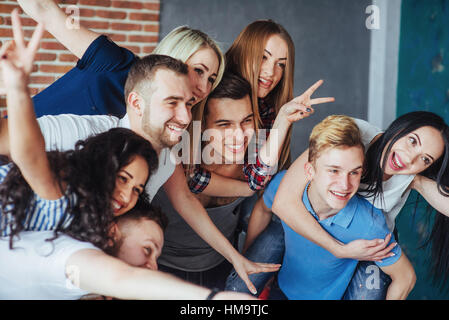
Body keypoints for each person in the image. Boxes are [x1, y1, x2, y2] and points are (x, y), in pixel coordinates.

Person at [0, 9, 277, 294]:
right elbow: (29, 157)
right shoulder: (85, 136)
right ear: (138, 101)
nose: (201, 89)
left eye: (210, 79)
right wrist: (17, 89)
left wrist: (235, 257)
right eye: (173, 100)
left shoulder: (167, 154)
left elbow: (185, 200)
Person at [0, 15, 158, 252]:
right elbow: (29, 156)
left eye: (137, 189)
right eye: (123, 179)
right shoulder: (66, 194)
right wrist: (17, 88)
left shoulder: (94, 220)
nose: (127, 196)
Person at [252, 111, 449, 299]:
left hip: (370, 244)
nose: (409, 158)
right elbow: (283, 201)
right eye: (412, 141)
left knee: (370, 292)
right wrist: (339, 249)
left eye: (425, 159)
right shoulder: (353, 132)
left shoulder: (411, 177)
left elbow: (406, 277)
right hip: (331, 237)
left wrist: (418, 181)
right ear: (401, 128)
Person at [153, 72, 281, 290]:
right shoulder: (174, 158)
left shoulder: (254, 163)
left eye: (246, 121)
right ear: (201, 125)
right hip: (162, 268)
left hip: (222, 270)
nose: (239, 135)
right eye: (224, 124)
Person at [0, 199, 255, 300]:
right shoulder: (65, 255)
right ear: (111, 233)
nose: (153, 266)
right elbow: (121, 277)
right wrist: (214, 300)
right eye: (147, 249)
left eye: (155, 256)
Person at [14, 0, 225, 117]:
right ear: (175, 56)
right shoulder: (115, 63)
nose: (204, 88)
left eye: (211, 79)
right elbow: (44, 10)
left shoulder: (170, 123)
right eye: (199, 70)